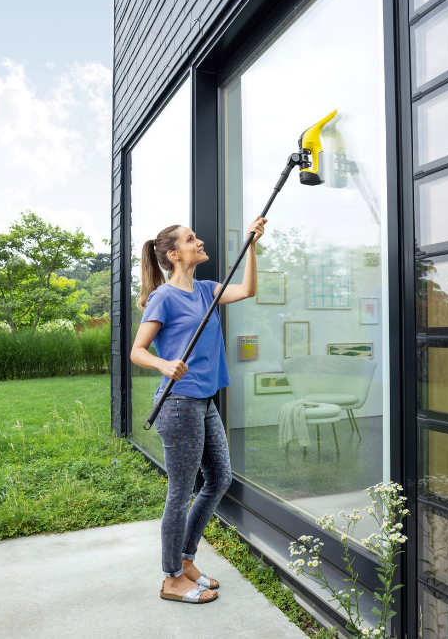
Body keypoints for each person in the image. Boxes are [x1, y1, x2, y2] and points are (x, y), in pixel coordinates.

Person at [130, 216, 267, 604]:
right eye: (191, 239)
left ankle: (186, 560)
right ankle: (172, 579)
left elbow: (247, 289)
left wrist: (252, 245)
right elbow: (137, 351)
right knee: (180, 492)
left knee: (219, 478)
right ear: (174, 254)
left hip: (203, 401)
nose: (199, 240)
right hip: (178, 404)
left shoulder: (206, 290)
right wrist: (163, 364)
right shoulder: (162, 298)